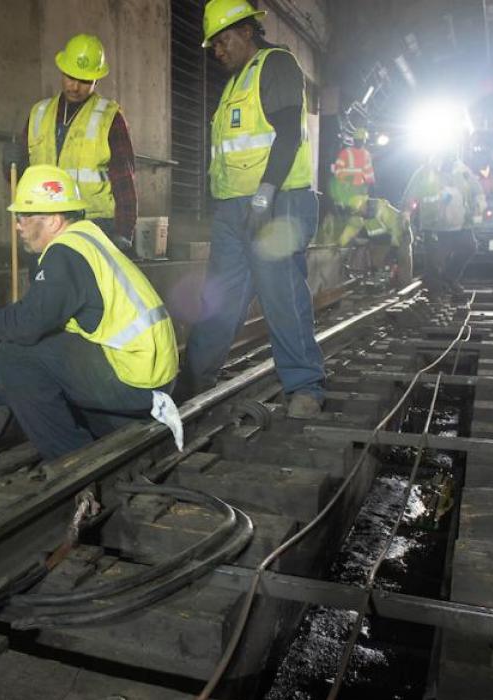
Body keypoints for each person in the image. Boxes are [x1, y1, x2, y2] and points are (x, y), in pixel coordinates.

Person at [0, 166, 178, 461]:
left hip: (137, 378)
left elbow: (27, 324)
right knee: (49, 348)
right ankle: (115, 428)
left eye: (24, 217)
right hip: (149, 369)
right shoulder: (88, 240)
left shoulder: (65, 253)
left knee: (15, 356)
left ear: (53, 220)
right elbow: (44, 315)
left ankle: (72, 461)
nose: (18, 226)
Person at [180, 0, 325, 419]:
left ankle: (305, 386)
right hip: (233, 210)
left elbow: (287, 137)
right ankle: (194, 381)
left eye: (223, 41)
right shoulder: (235, 84)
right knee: (220, 298)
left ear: (247, 31)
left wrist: (264, 195)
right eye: (213, 46)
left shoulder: (276, 65)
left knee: (281, 293)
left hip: (277, 201)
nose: (217, 51)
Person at [13, 33, 138, 250]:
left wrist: (124, 232)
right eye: (70, 77)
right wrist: (10, 163)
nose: (75, 87)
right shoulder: (39, 113)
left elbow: (124, 179)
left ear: (96, 79)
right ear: (62, 71)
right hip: (45, 224)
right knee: (47, 283)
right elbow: (22, 177)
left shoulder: (109, 117)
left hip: (94, 224)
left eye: (84, 81)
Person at [401, 153, 486, 296]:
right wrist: (406, 212)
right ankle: (435, 291)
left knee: (469, 247)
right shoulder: (424, 172)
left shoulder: (462, 171)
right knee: (435, 261)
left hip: (461, 223)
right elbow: (410, 194)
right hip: (435, 224)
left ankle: (449, 278)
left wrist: (479, 205)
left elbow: (476, 190)